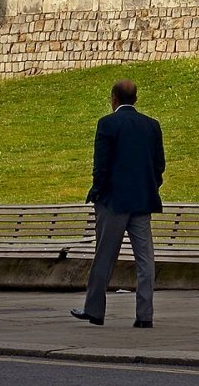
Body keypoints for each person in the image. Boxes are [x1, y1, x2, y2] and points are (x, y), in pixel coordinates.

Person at [73, 78, 166, 329]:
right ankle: (144, 315)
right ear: (135, 99)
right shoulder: (151, 126)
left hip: (113, 201)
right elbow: (159, 166)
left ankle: (95, 310)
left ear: (114, 98)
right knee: (145, 259)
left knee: (104, 256)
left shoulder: (107, 124)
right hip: (142, 200)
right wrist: (151, 186)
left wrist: (97, 190)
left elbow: (101, 165)